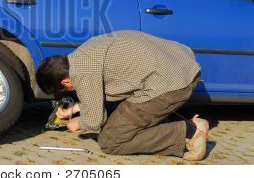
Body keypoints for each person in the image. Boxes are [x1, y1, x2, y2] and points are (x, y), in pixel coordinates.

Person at [36, 30, 209, 161]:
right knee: (122, 121)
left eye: (66, 90)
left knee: (110, 141)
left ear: (65, 82)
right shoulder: (83, 53)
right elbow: (96, 95)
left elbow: (95, 120)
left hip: (171, 86)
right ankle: (164, 127)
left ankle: (191, 131)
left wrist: (78, 122)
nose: (71, 91)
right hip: (184, 67)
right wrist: (74, 108)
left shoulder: (81, 73)